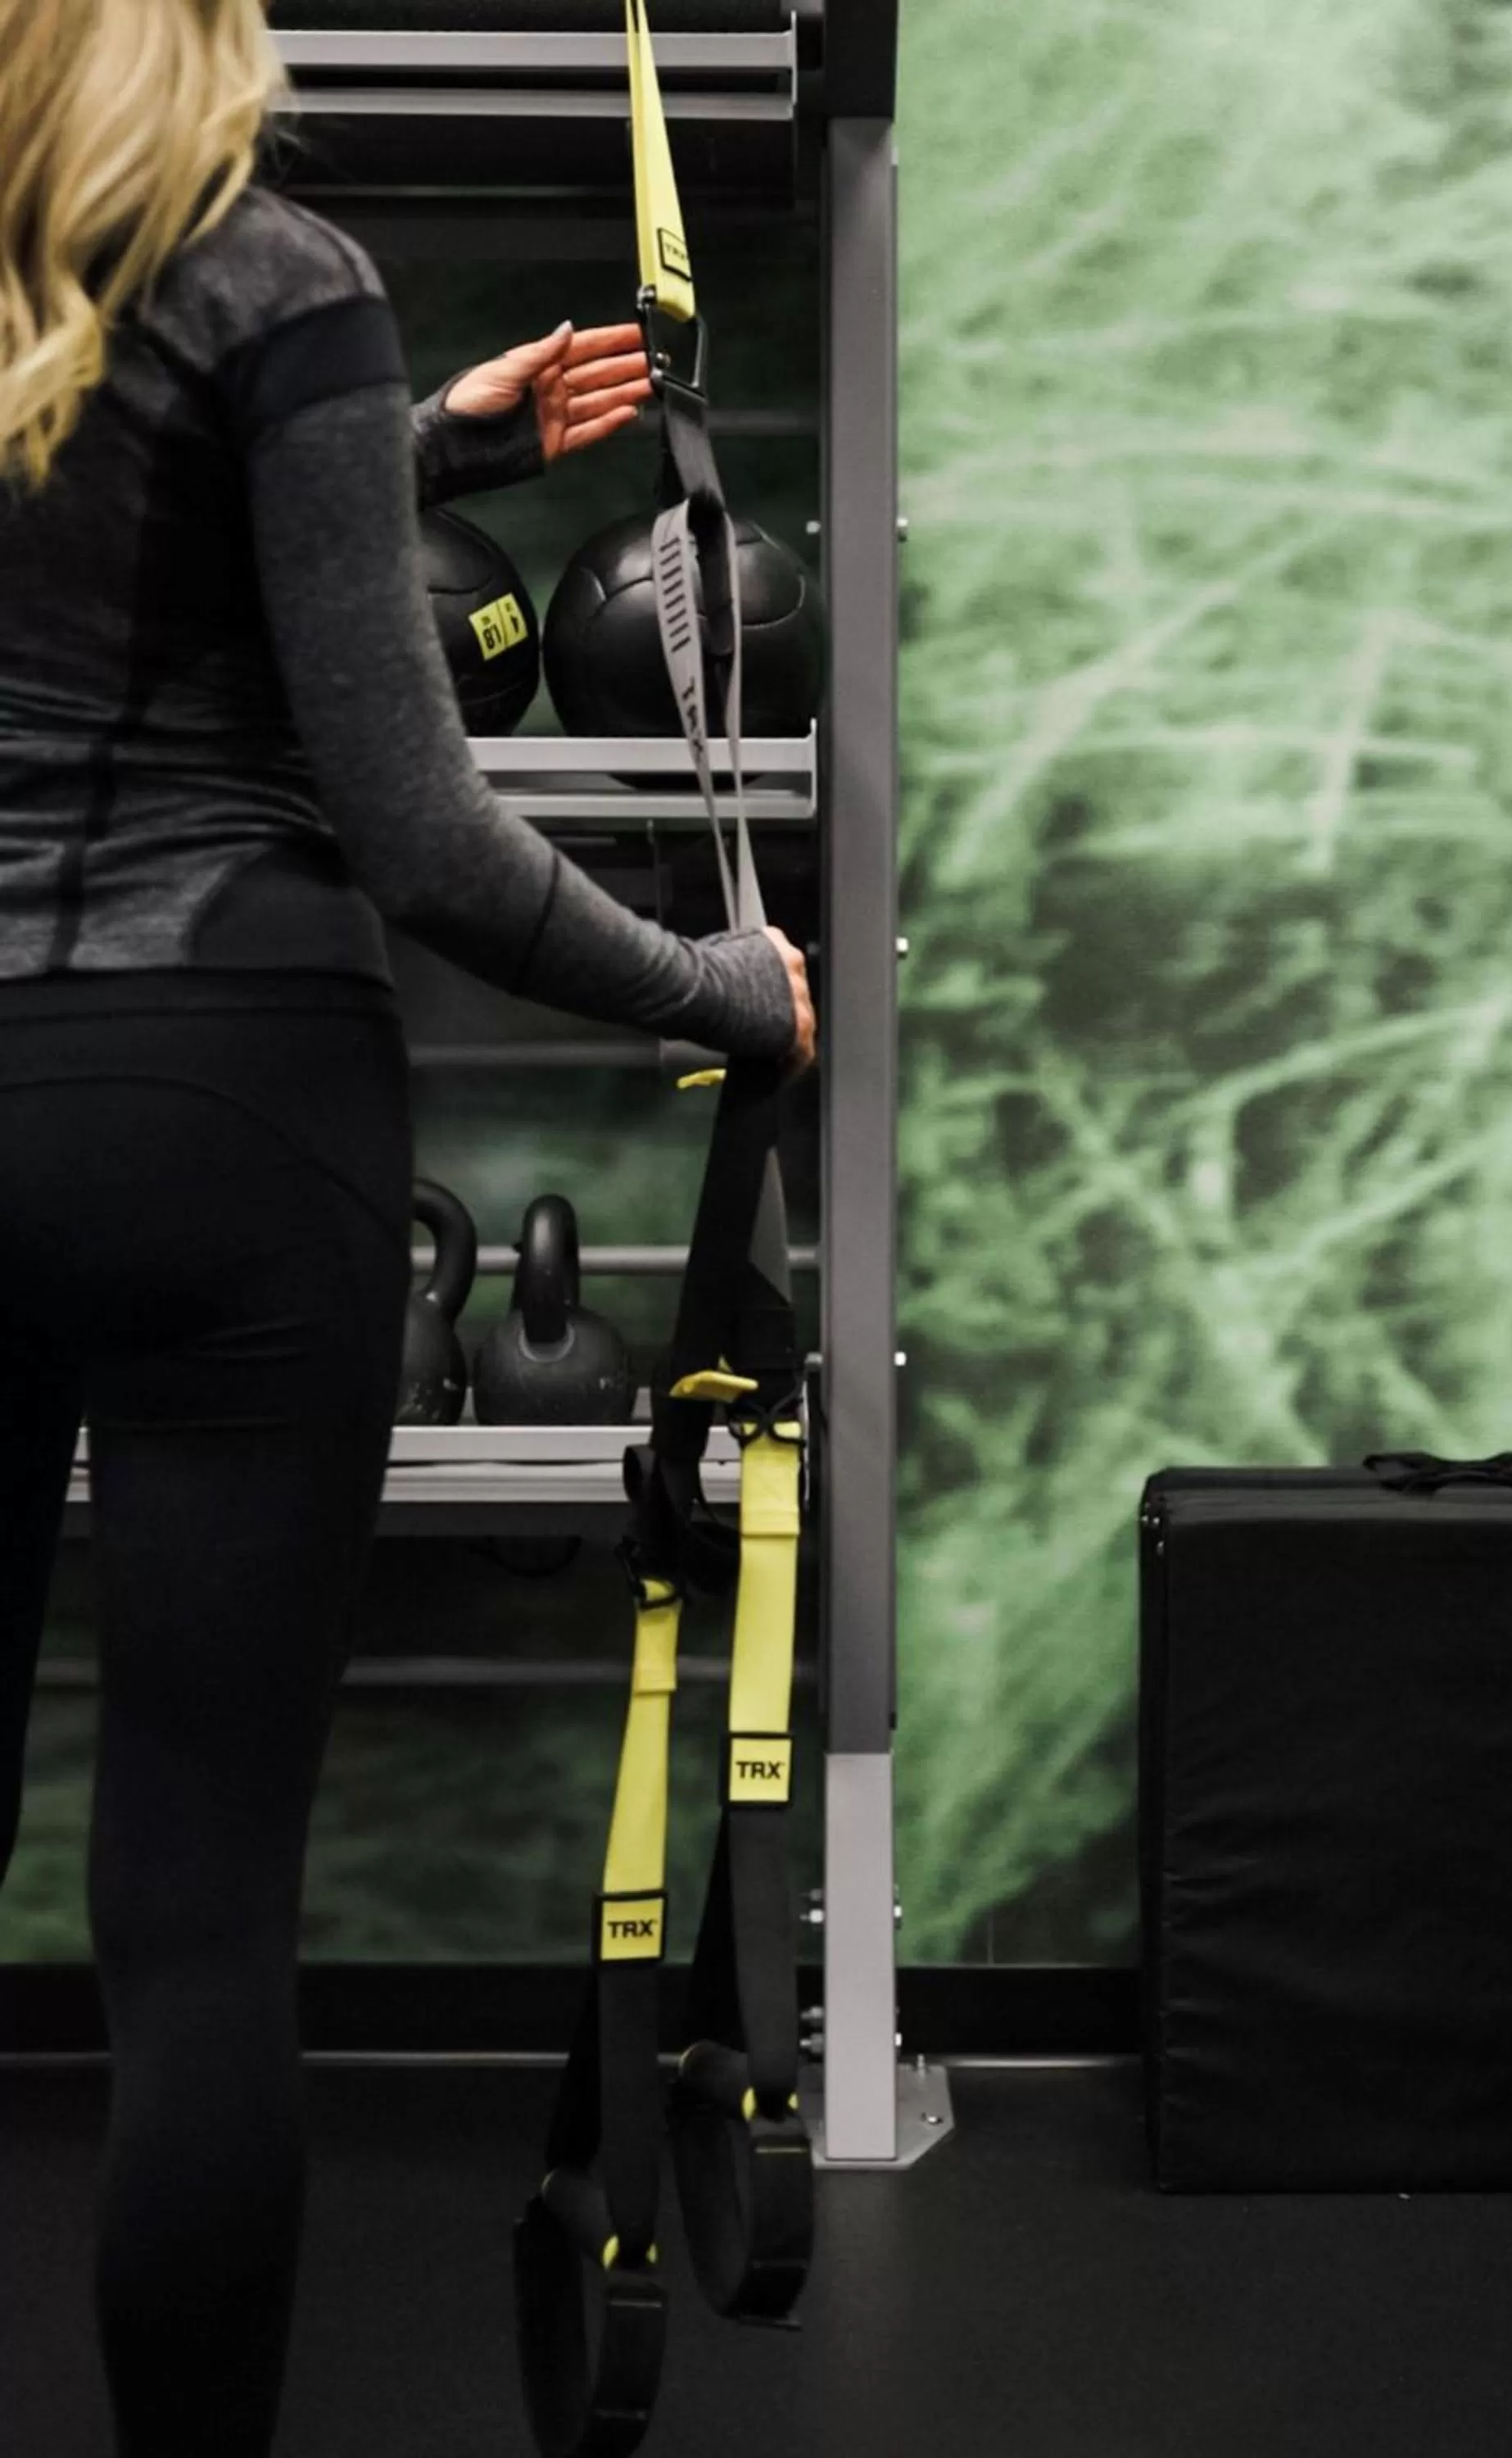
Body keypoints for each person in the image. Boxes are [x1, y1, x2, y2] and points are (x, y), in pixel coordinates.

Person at [0, 2, 817, 2451]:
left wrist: (418, 446)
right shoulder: (275, 278)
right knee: (197, 1922)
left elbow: (91, 540)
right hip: (230, 1101)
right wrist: (718, 987)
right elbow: (429, 835)